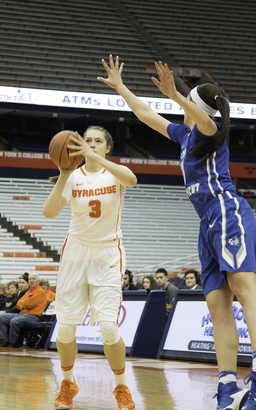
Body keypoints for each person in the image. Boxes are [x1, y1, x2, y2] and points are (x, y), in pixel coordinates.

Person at [98, 55, 256, 410]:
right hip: (207, 222)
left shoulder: (209, 130)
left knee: (245, 288)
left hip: (227, 211)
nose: (182, 110)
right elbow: (145, 116)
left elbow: (202, 116)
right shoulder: (184, 135)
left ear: (197, 108)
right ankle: (228, 384)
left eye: (189, 105)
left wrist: (175, 95)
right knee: (217, 305)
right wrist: (122, 88)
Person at [43, 125, 137, 410]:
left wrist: (97, 159)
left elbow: (132, 180)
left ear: (107, 147)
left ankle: (121, 387)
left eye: (98, 141)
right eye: (87, 140)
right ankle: (68, 383)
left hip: (108, 253)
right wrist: (62, 172)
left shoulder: (115, 173)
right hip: (75, 254)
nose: (92, 144)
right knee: (66, 330)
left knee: (109, 327)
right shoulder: (72, 178)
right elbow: (49, 213)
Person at [0, 273, 47, 348]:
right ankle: (4, 340)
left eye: (33, 279)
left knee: (14, 321)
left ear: (38, 281)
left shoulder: (40, 291)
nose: (31, 280)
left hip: (33, 316)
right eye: (30, 279)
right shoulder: (28, 291)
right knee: (1, 317)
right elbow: (18, 304)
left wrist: (24, 304)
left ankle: (14, 342)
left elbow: (30, 304)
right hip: (21, 314)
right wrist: (24, 304)